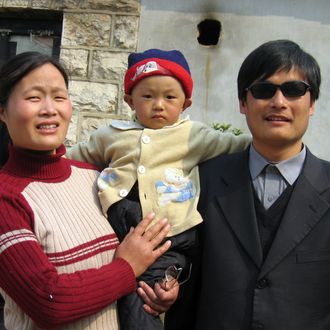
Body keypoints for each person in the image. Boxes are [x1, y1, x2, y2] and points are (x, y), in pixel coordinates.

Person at [66, 48, 251, 329]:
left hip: (171, 238)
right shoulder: (110, 135)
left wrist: (274, 141)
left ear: (186, 103)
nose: (159, 105)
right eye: (147, 96)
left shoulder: (194, 136)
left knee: (144, 299)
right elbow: (73, 158)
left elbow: (237, 145)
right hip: (119, 232)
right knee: (105, 294)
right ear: (129, 100)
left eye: (169, 97)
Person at [0, 51, 177, 330]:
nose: (50, 109)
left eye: (59, 97)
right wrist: (127, 268)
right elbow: (50, 301)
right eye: (33, 98)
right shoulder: (6, 198)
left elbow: (138, 255)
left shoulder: (96, 178)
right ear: (2, 111)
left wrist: (156, 288)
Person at [188, 39, 330, 330]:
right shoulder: (204, 180)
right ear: (243, 102)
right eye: (264, 90)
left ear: (312, 103)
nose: (279, 102)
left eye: (294, 90)